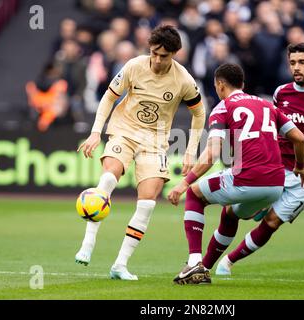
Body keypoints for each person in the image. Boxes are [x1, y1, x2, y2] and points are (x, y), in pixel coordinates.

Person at [204, 43, 304, 276]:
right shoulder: (281, 93)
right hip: (274, 167)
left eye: (302, 62)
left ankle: (229, 262)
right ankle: (206, 262)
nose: (297, 67)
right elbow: (269, 131)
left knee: (273, 222)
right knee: (231, 212)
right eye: (293, 63)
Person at [75, 25, 206, 280]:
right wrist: (95, 132)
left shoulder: (184, 80)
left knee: (146, 204)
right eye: (154, 53)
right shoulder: (135, 65)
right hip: (124, 130)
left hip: (155, 142)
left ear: (175, 54)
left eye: (164, 56)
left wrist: (191, 151)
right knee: (109, 177)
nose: (157, 60)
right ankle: (88, 242)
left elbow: (199, 113)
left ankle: (120, 265)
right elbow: (109, 97)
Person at [167, 63, 304, 285]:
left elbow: (213, 152)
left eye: (216, 86)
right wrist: (300, 166)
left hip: (248, 178)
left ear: (220, 85)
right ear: (242, 84)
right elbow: (300, 138)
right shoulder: (267, 106)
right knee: (230, 214)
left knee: (195, 194)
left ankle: (194, 262)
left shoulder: (223, 107)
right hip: (275, 186)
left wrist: (183, 183)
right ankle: (204, 269)